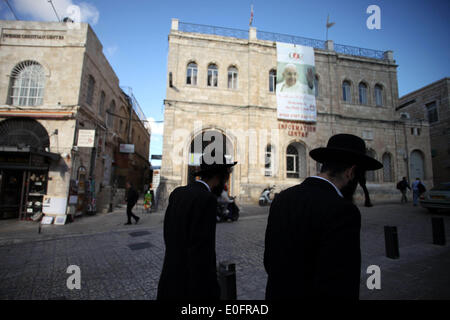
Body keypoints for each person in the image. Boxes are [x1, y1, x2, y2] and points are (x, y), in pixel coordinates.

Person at [264, 134, 383, 299]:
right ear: (351, 172)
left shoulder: (283, 198)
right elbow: (341, 283)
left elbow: (269, 261)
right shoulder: (343, 211)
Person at [157, 153, 237, 300]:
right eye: (226, 176)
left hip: (169, 279)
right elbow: (202, 252)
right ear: (219, 176)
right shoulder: (207, 200)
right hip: (190, 288)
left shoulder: (178, 193)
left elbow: (169, 235)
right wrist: (212, 290)